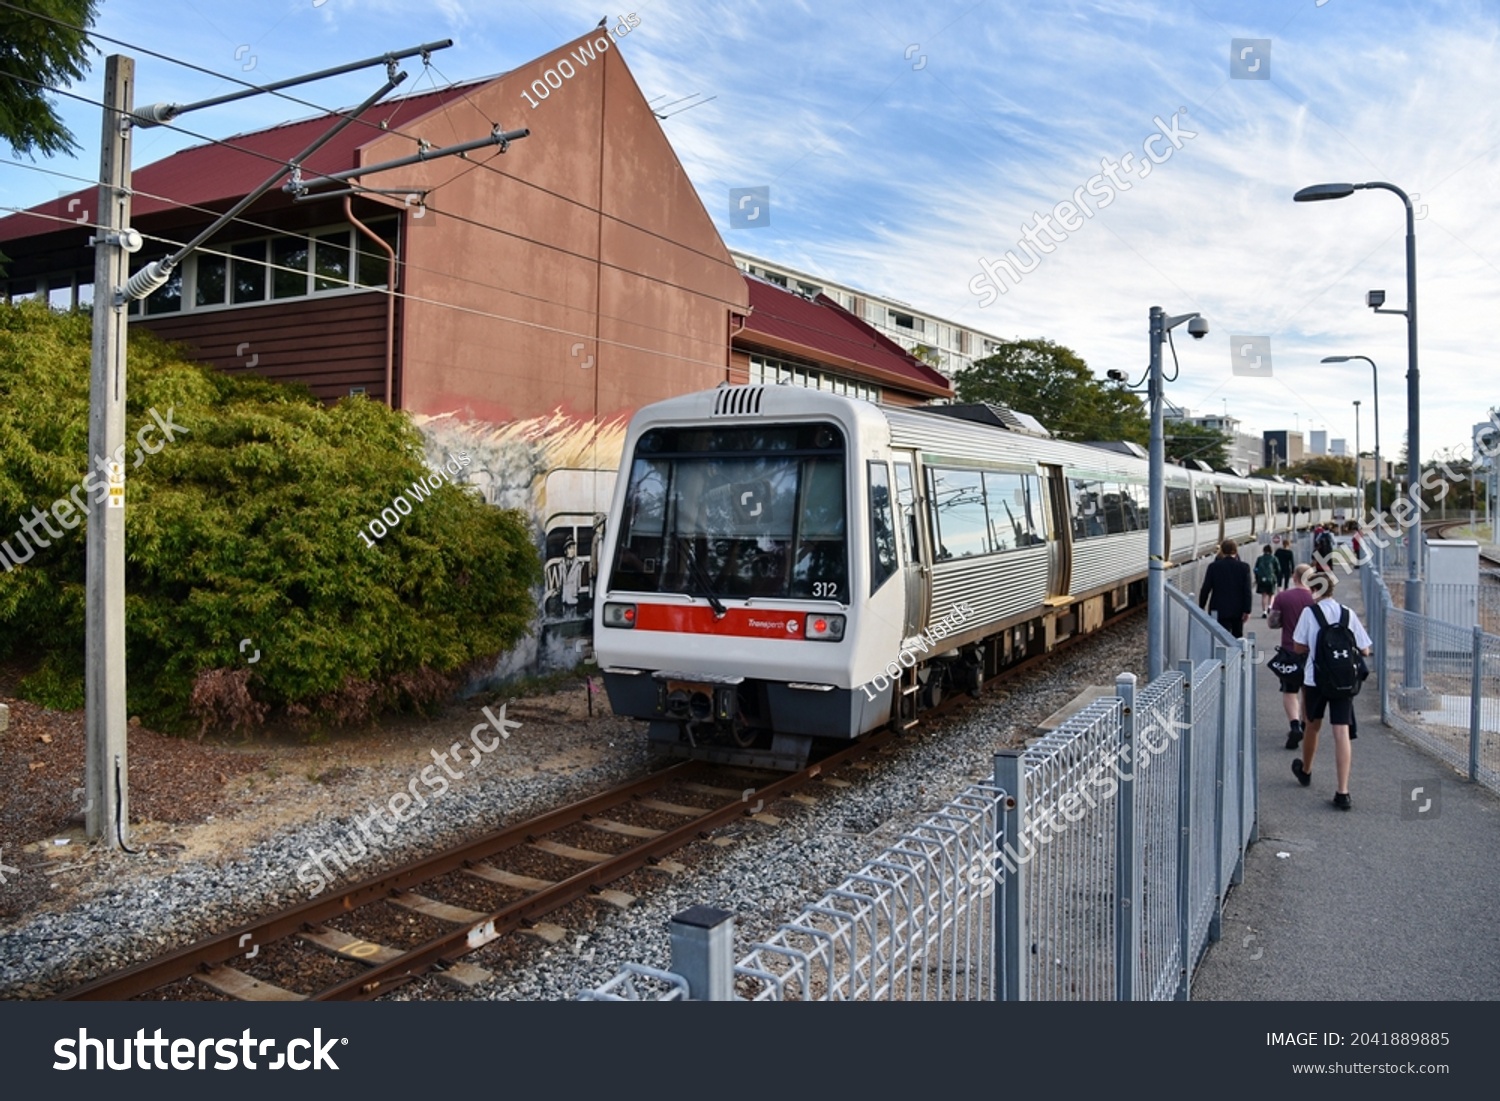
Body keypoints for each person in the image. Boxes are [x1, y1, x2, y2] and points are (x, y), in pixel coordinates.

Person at [1291, 570, 1373, 810]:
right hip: (1344, 681)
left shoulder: (1309, 613)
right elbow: (1366, 649)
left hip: (1316, 680)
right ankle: (1343, 791)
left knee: (1312, 726)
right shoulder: (1347, 613)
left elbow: (1297, 646)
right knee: (1341, 731)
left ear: (1313, 590)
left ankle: (1305, 770)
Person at [1268, 563, 1316, 749]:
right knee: (1307, 690)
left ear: (1294, 577)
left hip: (1289, 650)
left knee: (1289, 691)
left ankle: (1294, 725)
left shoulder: (1283, 597)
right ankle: (1305, 724)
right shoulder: (1316, 598)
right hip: (1311, 653)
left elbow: (1272, 622)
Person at [1199, 538, 1253, 639]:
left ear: (1222, 551)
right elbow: (1247, 591)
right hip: (1238, 610)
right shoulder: (1244, 567)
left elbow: (1206, 588)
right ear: (1236, 551)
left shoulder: (1213, 567)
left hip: (1218, 609)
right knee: (1237, 638)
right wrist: (1247, 610)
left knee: (1220, 638)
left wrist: (1201, 606)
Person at [1253, 543, 1278, 616]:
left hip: (1262, 579)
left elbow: (1255, 569)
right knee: (1272, 594)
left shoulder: (1260, 558)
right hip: (1271, 579)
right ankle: (1270, 606)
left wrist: (1257, 577)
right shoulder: (1274, 558)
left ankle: (1264, 611)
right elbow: (1278, 569)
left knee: (1264, 595)